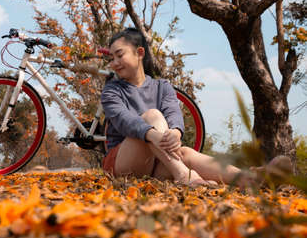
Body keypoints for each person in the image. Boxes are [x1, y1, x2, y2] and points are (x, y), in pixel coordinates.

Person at [101, 28, 291, 187]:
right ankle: (184, 175)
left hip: (157, 164)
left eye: (120, 55)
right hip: (123, 163)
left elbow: (173, 112)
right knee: (153, 116)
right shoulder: (111, 91)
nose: (115, 63)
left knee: (186, 153)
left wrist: (175, 132)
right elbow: (125, 121)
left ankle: (252, 179)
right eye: (112, 58)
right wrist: (152, 134)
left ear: (140, 53)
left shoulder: (162, 86)